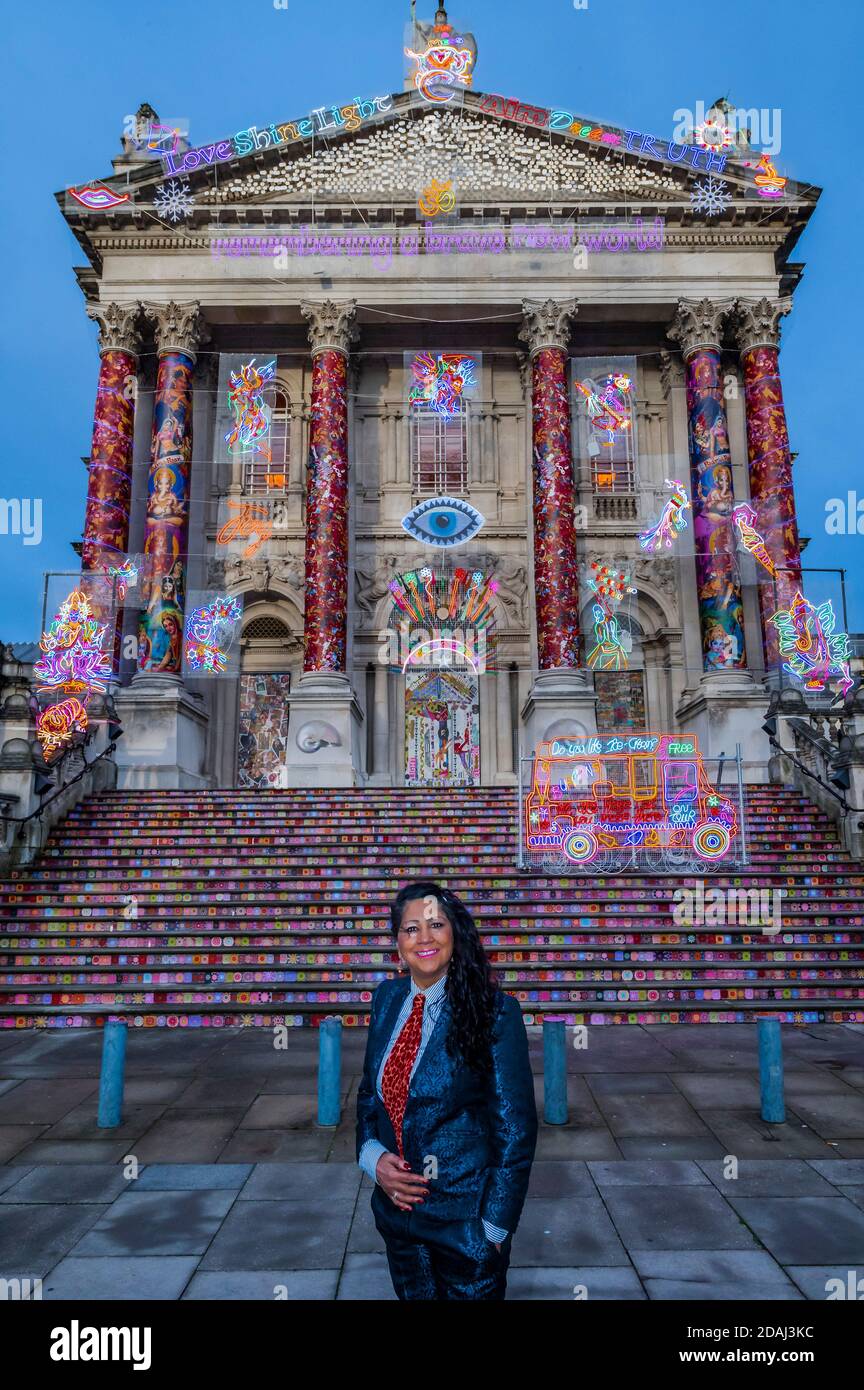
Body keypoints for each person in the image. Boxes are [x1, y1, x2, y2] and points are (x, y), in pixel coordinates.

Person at [356, 880, 537, 1300]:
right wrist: (373, 1160)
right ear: (397, 942)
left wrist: (492, 1230)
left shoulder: (494, 1012)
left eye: (435, 924)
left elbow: (515, 1129)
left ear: (455, 933)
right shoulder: (386, 999)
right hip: (398, 1221)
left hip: (464, 1222)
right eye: (411, 928)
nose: (424, 938)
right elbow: (369, 1096)